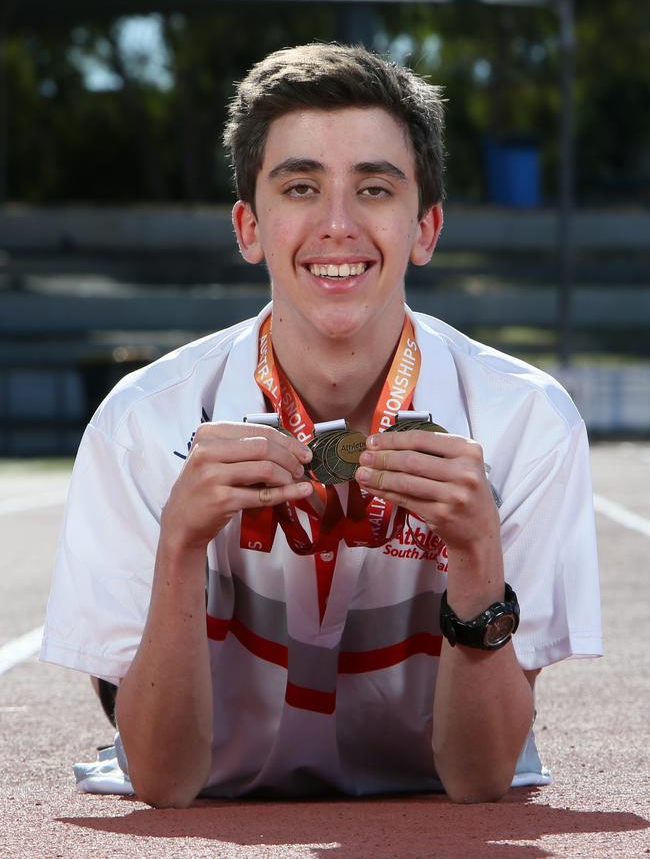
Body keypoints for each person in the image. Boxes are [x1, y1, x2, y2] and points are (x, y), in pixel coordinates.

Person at [40, 43, 602, 807]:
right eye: (300, 186)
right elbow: (164, 783)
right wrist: (179, 548)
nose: (337, 225)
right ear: (248, 227)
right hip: (213, 806)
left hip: (431, 813)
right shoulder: (143, 423)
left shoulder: (527, 422)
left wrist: (476, 558)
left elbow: (479, 781)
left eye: (374, 188)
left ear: (426, 227)